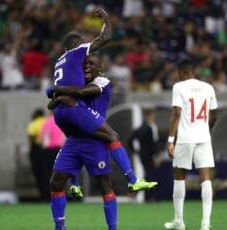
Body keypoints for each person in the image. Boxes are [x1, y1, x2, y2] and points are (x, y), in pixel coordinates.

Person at [47, 7, 155, 193]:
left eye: (90, 62)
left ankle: (74, 184)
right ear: (73, 46)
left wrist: (56, 92)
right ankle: (132, 179)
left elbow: (59, 97)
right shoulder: (77, 55)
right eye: (83, 48)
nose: (85, 57)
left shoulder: (62, 64)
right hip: (80, 116)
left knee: (73, 147)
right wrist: (107, 18)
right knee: (112, 138)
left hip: (63, 115)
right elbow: (104, 39)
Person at [40, 54, 119, 230]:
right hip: (74, 140)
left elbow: (80, 93)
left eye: (91, 64)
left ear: (100, 67)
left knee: (104, 184)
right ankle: (60, 229)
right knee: (56, 181)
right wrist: (59, 96)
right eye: (84, 64)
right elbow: (52, 103)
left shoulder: (102, 82)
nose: (87, 67)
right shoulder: (77, 83)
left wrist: (59, 91)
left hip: (94, 139)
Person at [164, 59, 218, 230]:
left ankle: (179, 221)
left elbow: (177, 113)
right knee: (206, 177)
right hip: (203, 137)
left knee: (179, 176)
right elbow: (214, 115)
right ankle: (205, 223)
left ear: (182, 72)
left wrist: (171, 140)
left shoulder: (179, 87)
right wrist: (205, 129)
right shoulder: (208, 87)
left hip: (185, 138)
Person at [128, 109, 160, 201]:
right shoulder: (152, 127)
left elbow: (130, 141)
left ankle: (145, 196)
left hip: (142, 156)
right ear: (149, 116)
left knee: (148, 175)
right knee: (150, 176)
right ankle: (146, 196)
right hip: (150, 156)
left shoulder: (139, 128)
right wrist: (156, 156)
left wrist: (136, 151)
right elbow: (155, 143)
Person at [39, 111, 65, 201]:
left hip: (48, 150)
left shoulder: (46, 123)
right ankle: (60, 194)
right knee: (59, 173)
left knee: (47, 173)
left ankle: (47, 195)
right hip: (59, 149)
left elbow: (43, 138)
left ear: (50, 113)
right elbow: (64, 137)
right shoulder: (61, 122)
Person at [26, 108, 46, 200]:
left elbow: (31, 135)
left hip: (37, 150)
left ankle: (42, 195)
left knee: (38, 173)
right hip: (48, 150)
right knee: (48, 173)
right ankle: (49, 194)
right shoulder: (47, 122)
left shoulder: (34, 123)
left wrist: (38, 142)